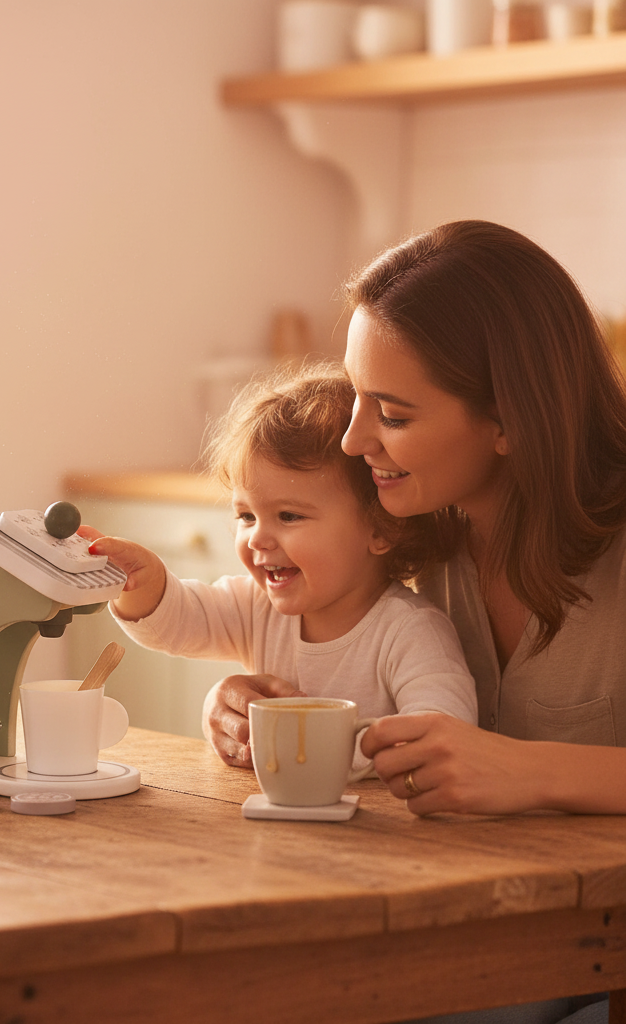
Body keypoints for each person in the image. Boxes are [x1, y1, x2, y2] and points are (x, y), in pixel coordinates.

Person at [202, 220, 626, 823]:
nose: (352, 441)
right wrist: (245, 704)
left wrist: (523, 770)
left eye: (394, 417)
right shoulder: (413, 536)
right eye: (356, 396)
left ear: (508, 419)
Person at [83, 365, 478, 768]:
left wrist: (314, 743)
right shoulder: (256, 607)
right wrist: (141, 581)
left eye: (288, 516)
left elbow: (445, 733)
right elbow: (177, 622)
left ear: (381, 529)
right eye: (246, 516)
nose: (257, 539)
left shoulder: (410, 632)